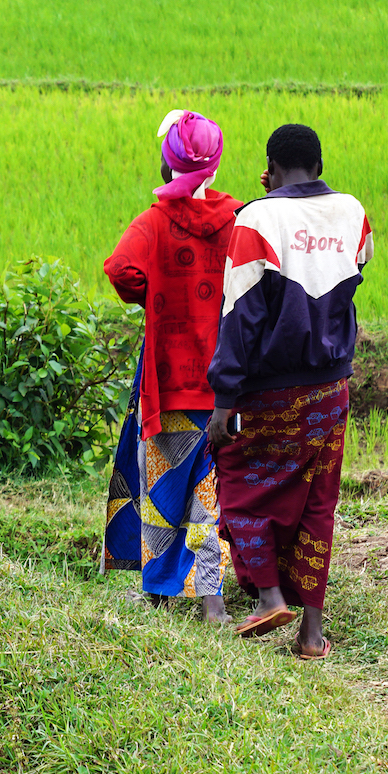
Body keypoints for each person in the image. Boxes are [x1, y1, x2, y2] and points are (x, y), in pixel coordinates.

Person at [207, 123, 373, 659]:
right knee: (317, 502)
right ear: (319, 167)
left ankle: (269, 597)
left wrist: (224, 399)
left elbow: (241, 315)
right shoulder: (353, 212)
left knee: (238, 485)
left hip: (268, 391)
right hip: (330, 388)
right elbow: (356, 271)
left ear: (270, 168)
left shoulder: (256, 218)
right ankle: (311, 634)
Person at [101, 110, 242, 621]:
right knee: (211, 491)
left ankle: (160, 590)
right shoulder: (237, 219)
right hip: (228, 384)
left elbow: (119, 269)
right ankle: (212, 601)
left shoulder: (156, 221)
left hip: (171, 381)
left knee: (164, 487)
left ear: (167, 165)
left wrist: (154, 293)